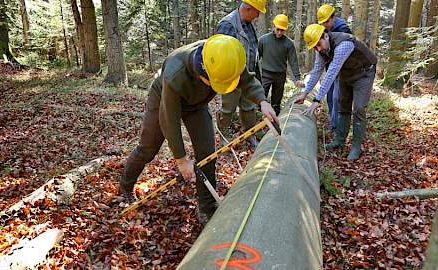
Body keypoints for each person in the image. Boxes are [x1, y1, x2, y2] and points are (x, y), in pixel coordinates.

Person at [118, 35, 279, 223]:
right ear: (202, 73)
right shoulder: (175, 74)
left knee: (207, 153)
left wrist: (262, 101)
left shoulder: (226, 57)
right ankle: (125, 187)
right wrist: (181, 159)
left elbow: (246, 81)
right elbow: (169, 121)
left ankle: (206, 206)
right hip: (164, 99)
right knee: (148, 148)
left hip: (197, 105)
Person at [295, 24, 377, 161]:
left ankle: (356, 146)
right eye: (315, 47)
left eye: (319, 44)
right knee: (342, 104)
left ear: (326, 35)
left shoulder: (344, 44)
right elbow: (316, 71)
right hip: (346, 74)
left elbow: (331, 73)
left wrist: (316, 100)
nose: (318, 49)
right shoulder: (320, 50)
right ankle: (340, 139)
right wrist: (305, 93)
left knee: (359, 108)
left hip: (364, 73)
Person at [215, 0, 267, 147]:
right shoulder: (228, 25)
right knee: (227, 109)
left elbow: (252, 52)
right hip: (231, 77)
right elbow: (220, 56)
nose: (257, 16)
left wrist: (255, 75)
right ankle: (223, 138)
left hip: (247, 75)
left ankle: (249, 134)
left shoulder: (248, 25)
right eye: (257, 12)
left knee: (248, 107)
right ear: (249, 8)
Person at [258, 14, 304, 115]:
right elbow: (258, 57)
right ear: (273, 26)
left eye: (282, 30)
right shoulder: (263, 40)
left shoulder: (288, 44)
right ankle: (258, 116)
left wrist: (297, 78)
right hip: (266, 74)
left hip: (280, 75)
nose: (279, 32)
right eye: (277, 29)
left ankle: (276, 118)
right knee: (261, 97)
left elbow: (293, 61)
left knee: (276, 100)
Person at [317, 4, 352, 131]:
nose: (324, 25)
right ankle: (333, 123)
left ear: (333, 17)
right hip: (330, 66)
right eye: (322, 22)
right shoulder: (323, 29)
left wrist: (316, 100)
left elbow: (340, 54)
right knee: (330, 95)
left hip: (341, 68)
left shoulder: (343, 29)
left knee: (337, 97)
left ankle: (338, 128)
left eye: (326, 21)